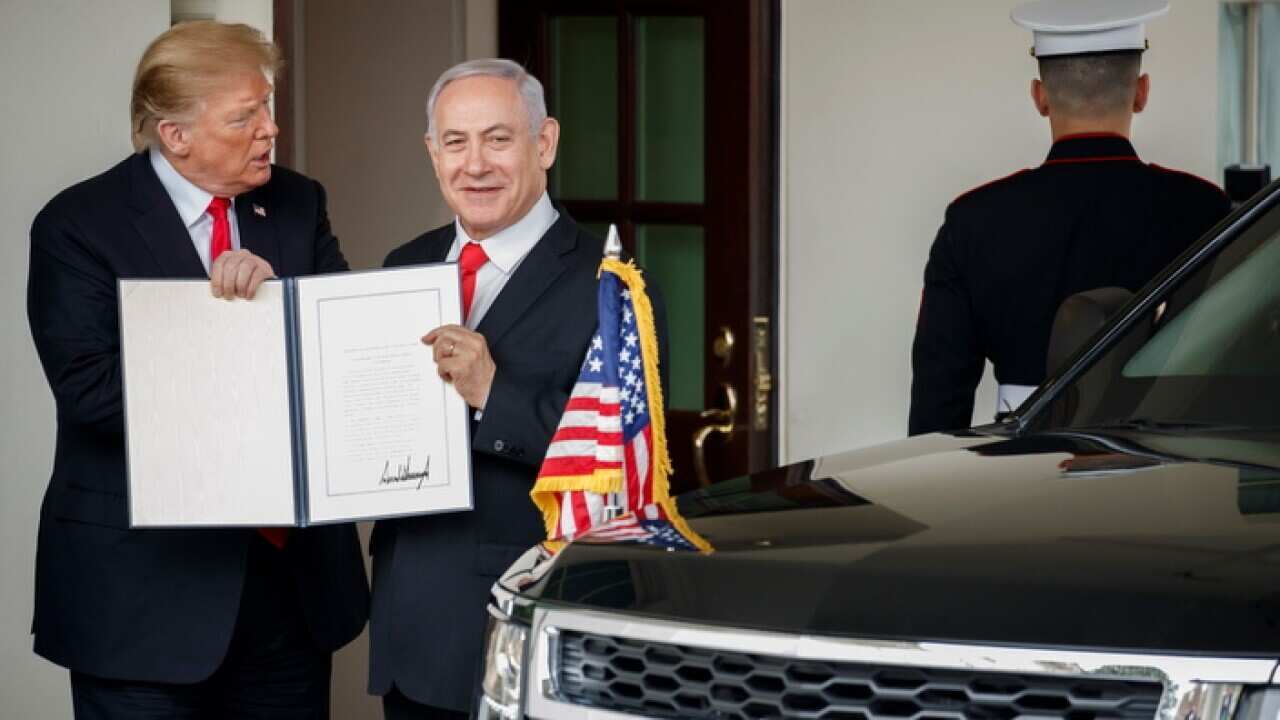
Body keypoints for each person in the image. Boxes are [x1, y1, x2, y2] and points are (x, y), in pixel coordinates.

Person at [26, 22, 368, 718]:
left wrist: (277, 301)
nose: (271, 130)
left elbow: (344, 355)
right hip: (140, 604)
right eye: (245, 117)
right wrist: (237, 330)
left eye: (267, 108)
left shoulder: (299, 202)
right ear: (174, 134)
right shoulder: (77, 225)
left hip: (290, 596)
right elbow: (93, 396)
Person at [367, 58, 667, 718]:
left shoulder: (613, 286)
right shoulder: (403, 265)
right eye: (455, 142)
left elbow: (620, 468)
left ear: (545, 143)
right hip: (407, 628)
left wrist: (491, 391)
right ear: (432, 152)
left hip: (525, 629)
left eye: (498, 138)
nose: (475, 164)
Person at [908, 0, 1231, 436]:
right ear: (1142, 92)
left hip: (1020, 478)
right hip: (1169, 473)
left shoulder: (973, 222)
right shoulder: (1202, 210)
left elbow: (936, 414)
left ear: (1040, 98)